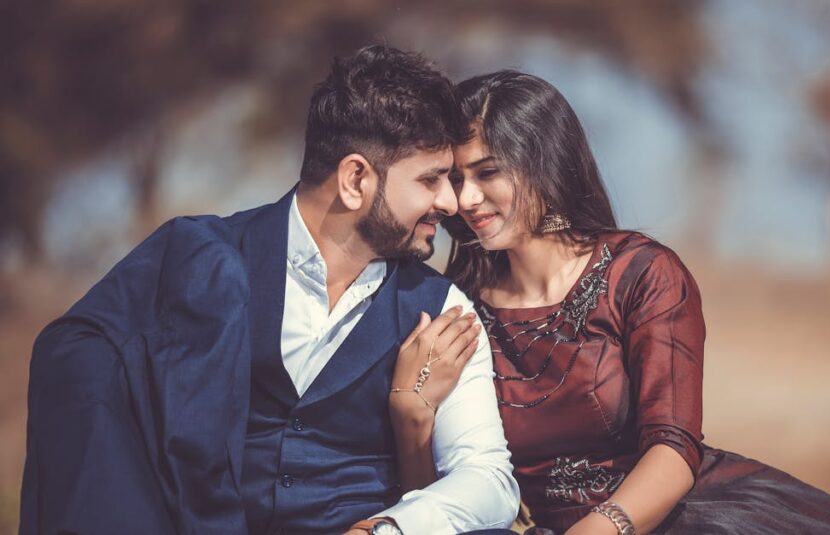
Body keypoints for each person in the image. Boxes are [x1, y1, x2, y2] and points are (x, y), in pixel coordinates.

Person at [20, 46, 519, 535]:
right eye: (431, 180)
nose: (451, 202)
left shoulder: (441, 310)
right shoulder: (198, 257)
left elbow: (489, 482)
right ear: (354, 180)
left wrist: (386, 529)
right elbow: (74, 363)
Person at [423, 70, 830, 534]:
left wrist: (598, 529)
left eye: (487, 173)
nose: (466, 199)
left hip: (693, 516)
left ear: (542, 162)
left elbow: (673, 445)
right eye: (457, 179)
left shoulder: (641, 274)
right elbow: (456, 468)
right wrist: (413, 409)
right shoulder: (460, 308)